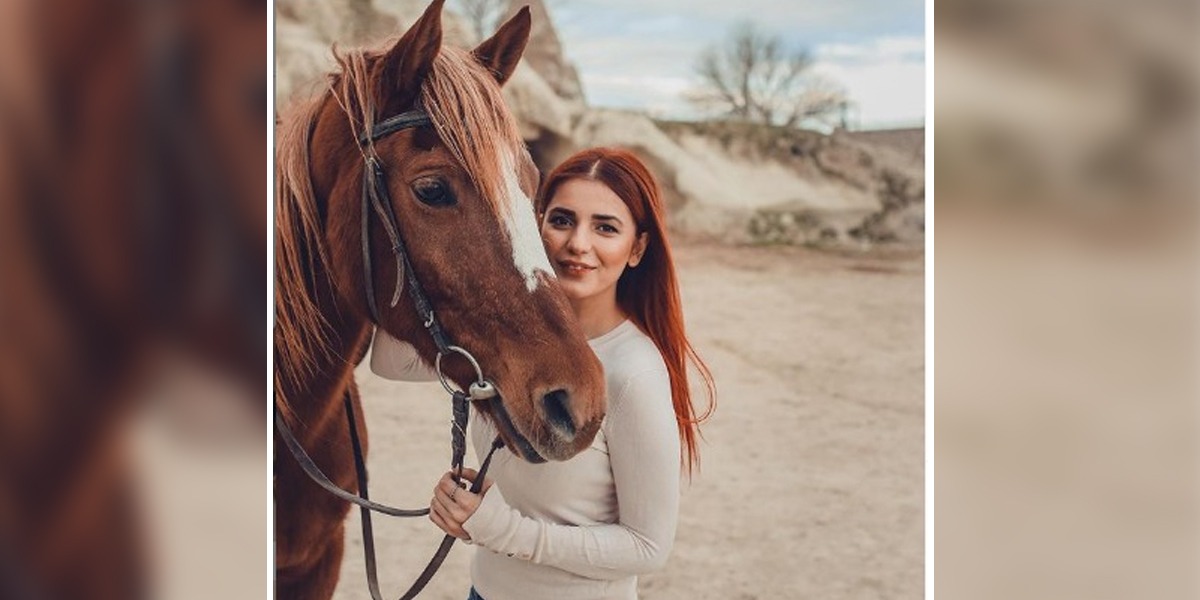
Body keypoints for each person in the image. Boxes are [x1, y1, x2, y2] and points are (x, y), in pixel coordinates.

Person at [370, 147, 715, 600]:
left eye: (605, 228)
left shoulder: (634, 372)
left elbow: (647, 547)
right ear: (533, 225)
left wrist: (503, 529)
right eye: (561, 220)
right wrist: (423, 244)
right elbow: (390, 362)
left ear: (637, 249)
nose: (578, 244)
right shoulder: (512, 344)